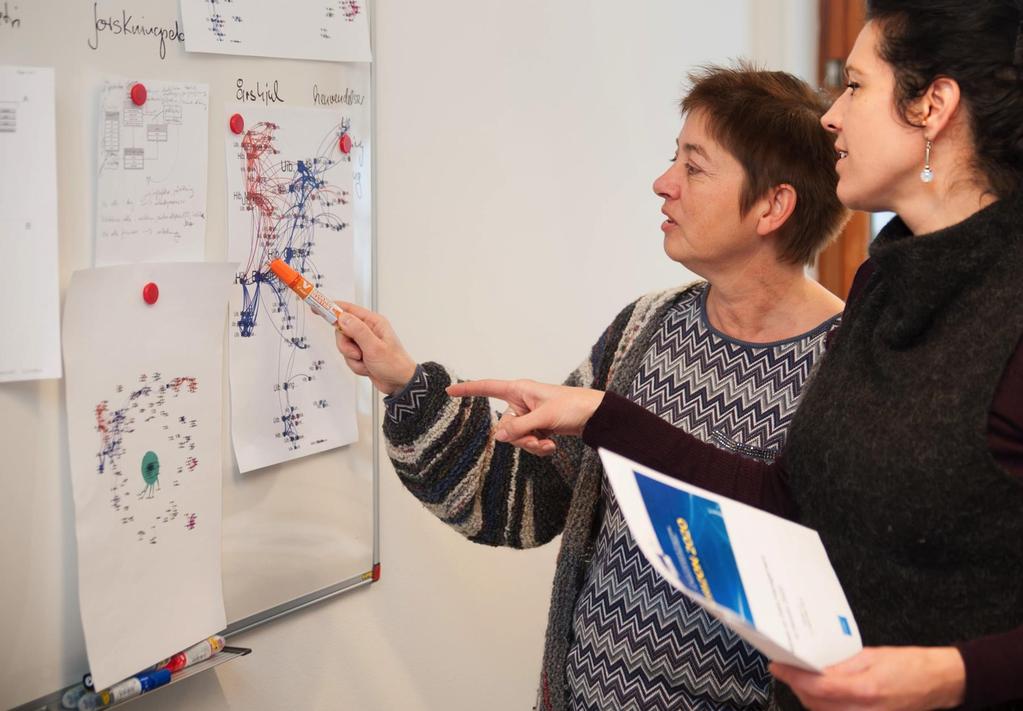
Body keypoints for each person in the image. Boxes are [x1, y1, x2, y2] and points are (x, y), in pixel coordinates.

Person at [447, 2, 1023, 709]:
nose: (831, 116)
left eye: (855, 86)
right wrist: (602, 414)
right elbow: (784, 503)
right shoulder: (883, 282)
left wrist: (947, 674)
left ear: (931, 105)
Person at [336, 65, 848, 711]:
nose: (663, 184)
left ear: (772, 205)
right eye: (673, 159)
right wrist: (404, 384)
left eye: (693, 167)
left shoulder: (846, 367)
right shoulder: (644, 327)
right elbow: (527, 500)